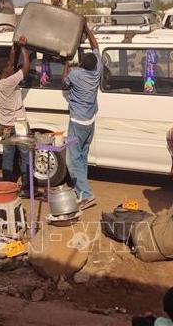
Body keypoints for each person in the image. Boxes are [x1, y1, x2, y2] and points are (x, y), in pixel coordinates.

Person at [62, 21, 101, 210]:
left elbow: (64, 81)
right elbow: (96, 46)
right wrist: (86, 28)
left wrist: (66, 62)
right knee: (82, 157)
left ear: (82, 65)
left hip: (77, 122)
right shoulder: (97, 71)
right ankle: (80, 191)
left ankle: (86, 195)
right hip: (90, 122)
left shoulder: (76, 75)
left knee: (71, 159)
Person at [0, 36, 30, 197]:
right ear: (5, 71)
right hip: (19, 123)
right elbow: (26, 68)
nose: (12, 68)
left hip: (4, 124)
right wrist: (23, 48)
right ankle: (27, 186)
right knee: (24, 154)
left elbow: (11, 63)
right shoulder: (10, 82)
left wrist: (13, 48)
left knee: (8, 155)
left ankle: (6, 185)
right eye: (10, 67)